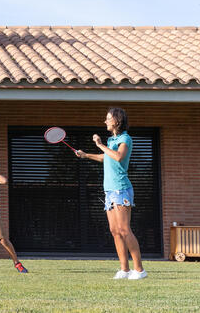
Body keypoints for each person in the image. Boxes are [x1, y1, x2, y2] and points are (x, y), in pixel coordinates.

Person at [76, 107, 147, 280]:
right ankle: (124, 269)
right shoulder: (112, 140)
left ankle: (139, 270)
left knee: (124, 229)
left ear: (117, 121)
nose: (105, 121)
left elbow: (118, 157)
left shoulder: (125, 139)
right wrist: (86, 155)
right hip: (109, 190)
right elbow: (106, 157)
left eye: (108, 118)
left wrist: (99, 144)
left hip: (121, 188)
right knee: (115, 230)